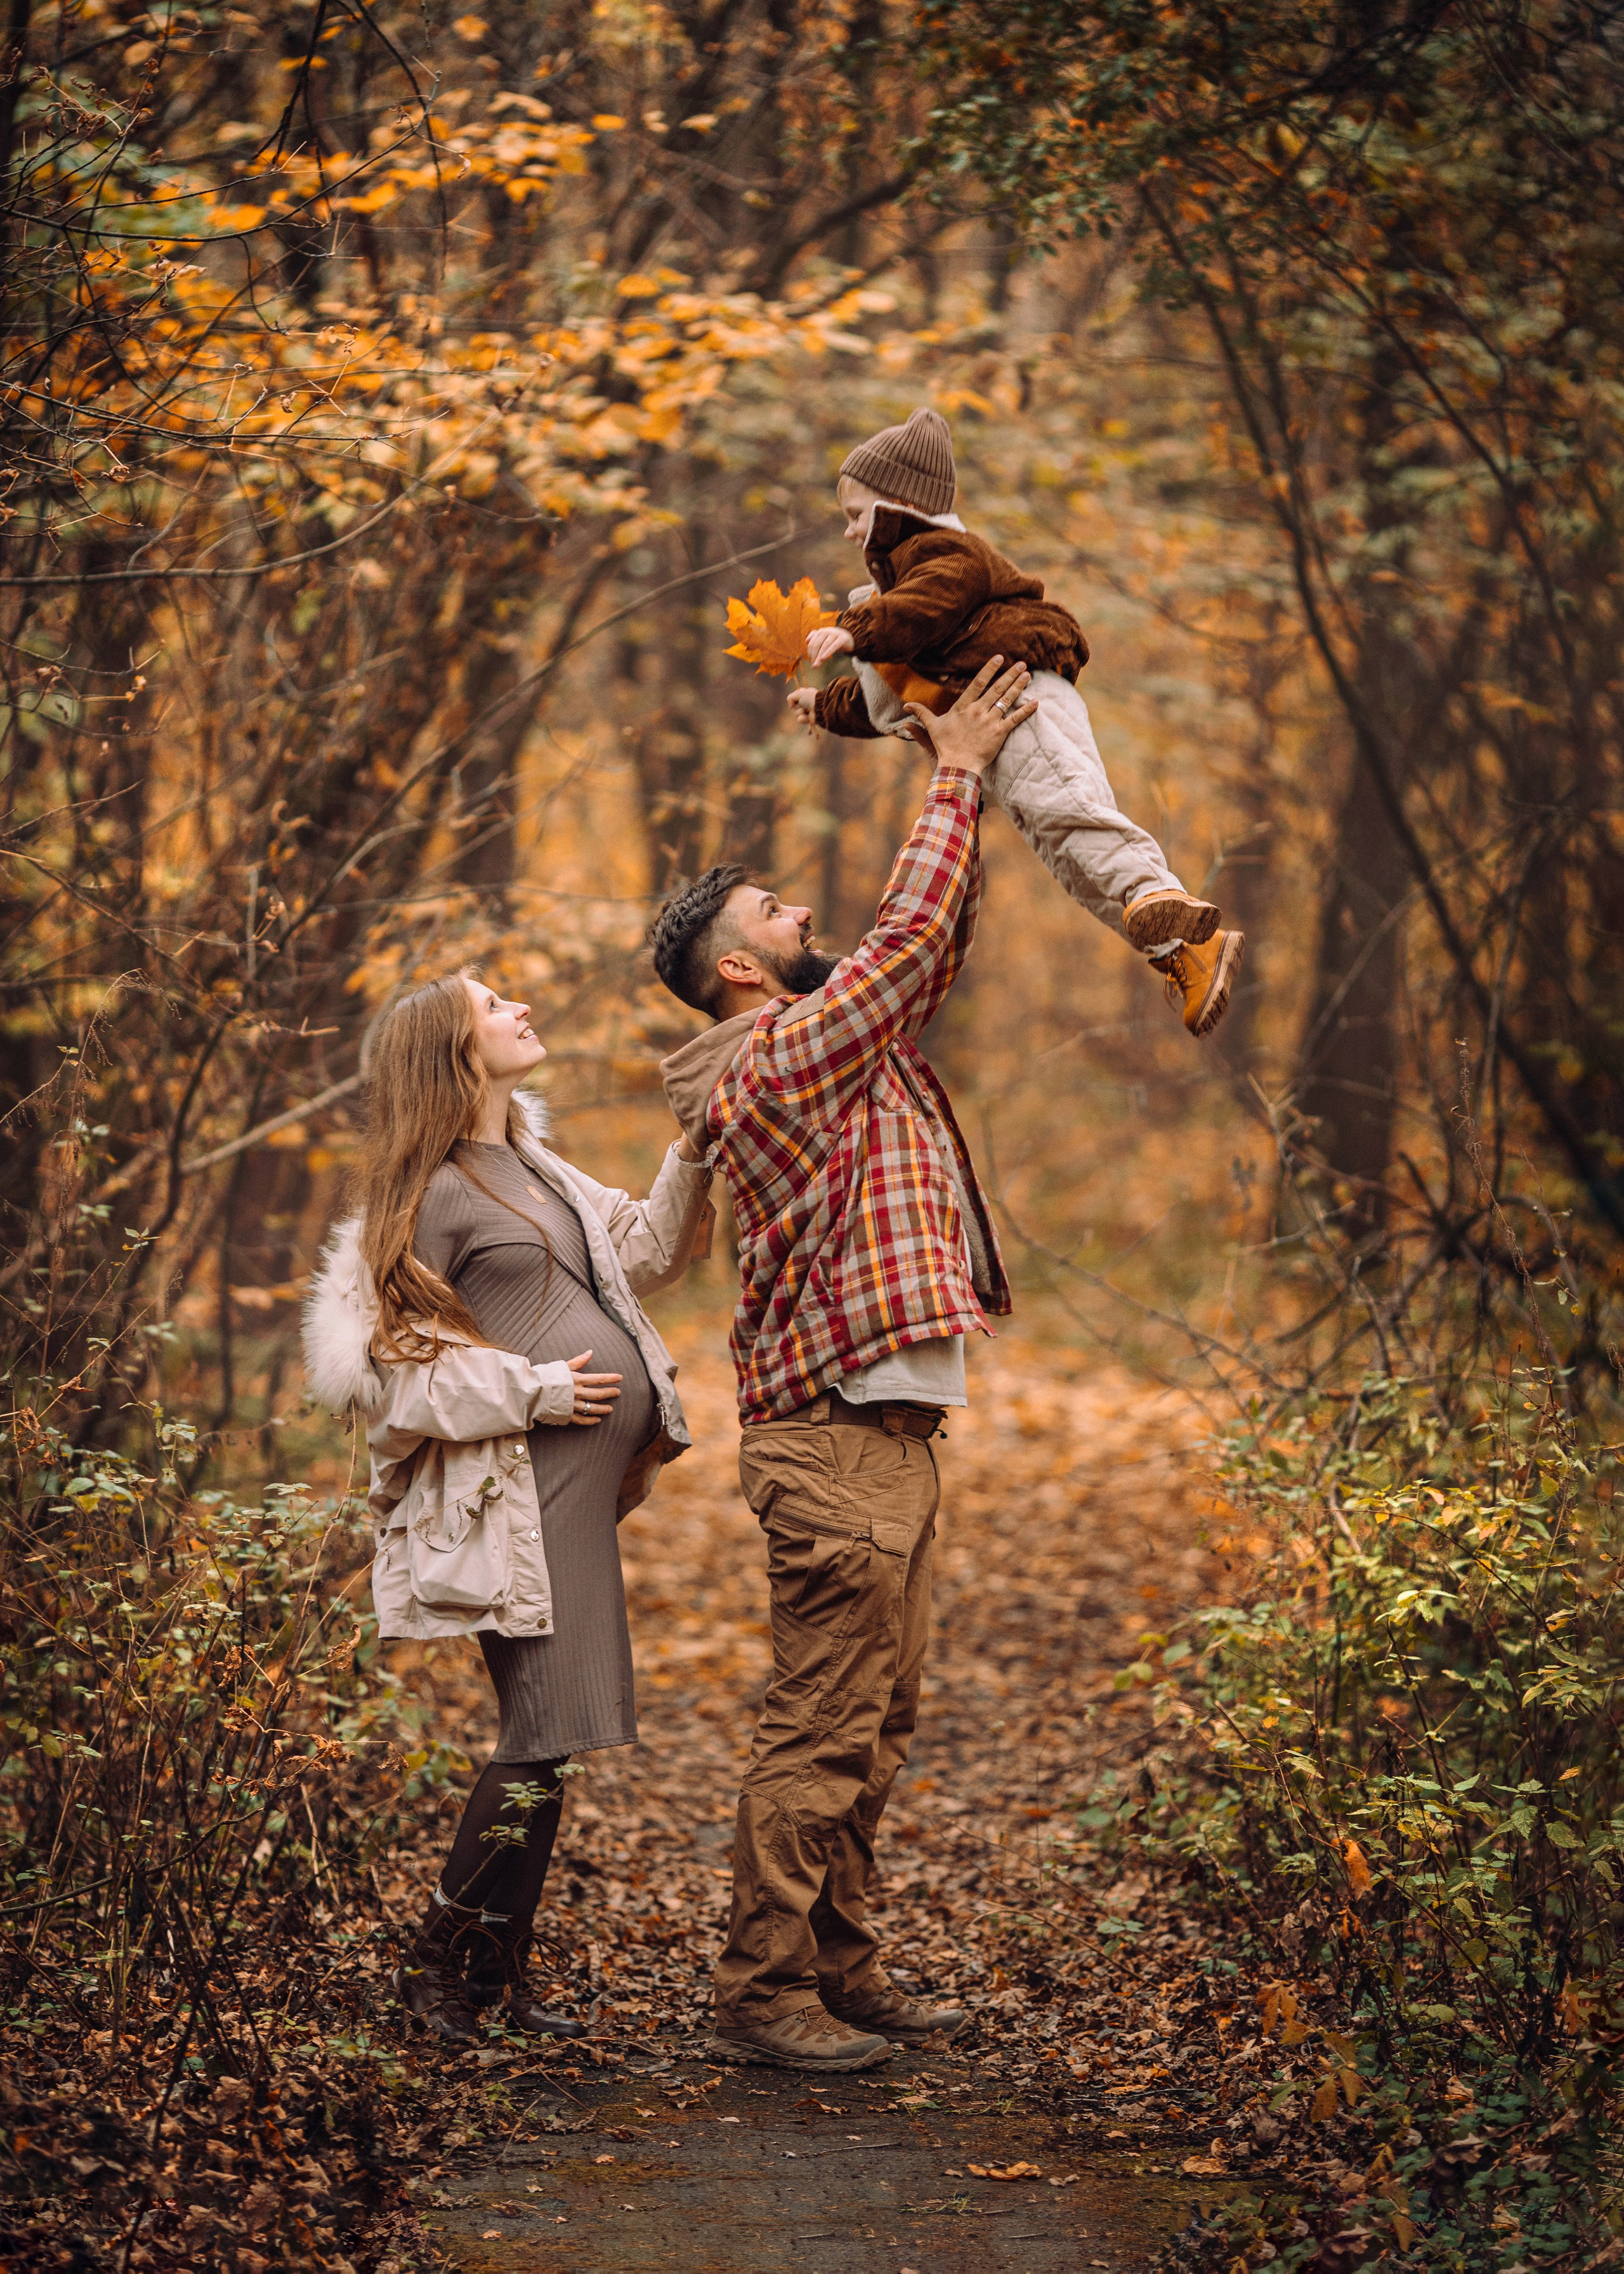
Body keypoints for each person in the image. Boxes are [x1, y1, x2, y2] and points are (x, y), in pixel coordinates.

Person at [648, 657, 1037, 2074]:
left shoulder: (832, 1046)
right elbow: (905, 941)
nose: (798, 911)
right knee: (819, 1730)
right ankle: (760, 1998)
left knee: (875, 1726)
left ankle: (837, 1968)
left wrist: (970, 790)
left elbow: (926, 948)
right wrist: (957, 772)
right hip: (831, 1445)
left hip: (886, 1442)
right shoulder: (777, 1061)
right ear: (741, 971)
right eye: (771, 913)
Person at [302, 971, 712, 2044]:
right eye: (494, 1004)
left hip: (569, 1489)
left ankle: (495, 1970)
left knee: (553, 1734)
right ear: (451, 1048)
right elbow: (395, 1372)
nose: (523, 1006)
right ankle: (436, 1969)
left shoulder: (531, 1163)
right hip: (515, 1494)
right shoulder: (434, 1189)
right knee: (541, 1731)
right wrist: (536, 1389)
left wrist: (698, 1143)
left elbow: (648, 1250)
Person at [784, 405, 1245, 1039]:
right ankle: (1184, 951)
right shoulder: (900, 601)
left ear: (896, 505)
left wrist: (854, 628)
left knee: (1069, 810)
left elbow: (926, 605)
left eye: (855, 516)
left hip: (1022, 697)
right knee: (1065, 854)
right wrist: (825, 707)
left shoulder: (942, 556)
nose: (848, 534)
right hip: (996, 726)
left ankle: (1149, 888)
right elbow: (890, 699)